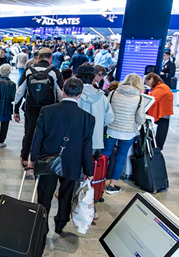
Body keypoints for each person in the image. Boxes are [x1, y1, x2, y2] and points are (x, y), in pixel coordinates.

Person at [29, 78, 95, 235]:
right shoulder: (88, 118)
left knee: (44, 194)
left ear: (63, 91)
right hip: (73, 162)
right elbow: (87, 147)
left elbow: (37, 137)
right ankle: (60, 223)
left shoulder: (47, 110)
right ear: (80, 95)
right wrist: (89, 170)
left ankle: (42, 225)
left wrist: (32, 160)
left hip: (48, 160)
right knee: (66, 194)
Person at [14, 47, 64, 168]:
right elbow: (60, 93)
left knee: (29, 132)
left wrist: (16, 110)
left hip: (31, 107)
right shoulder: (55, 72)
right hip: (49, 109)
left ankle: (24, 157)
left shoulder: (29, 70)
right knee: (46, 133)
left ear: (38, 57)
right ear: (50, 59)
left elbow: (19, 91)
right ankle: (41, 159)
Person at [101, 74, 147, 194]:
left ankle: (97, 179)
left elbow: (106, 111)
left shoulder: (113, 93)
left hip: (110, 129)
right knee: (121, 157)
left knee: (105, 154)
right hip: (127, 133)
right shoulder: (140, 98)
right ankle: (112, 185)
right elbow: (140, 119)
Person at [75, 64, 114, 152]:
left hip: (76, 139)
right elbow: (110, 118)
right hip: (96, 140)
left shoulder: (74, 95)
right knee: (92, 164)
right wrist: (98, 124)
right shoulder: (103, 97)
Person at [145, 73, 174, 150]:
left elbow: (152, 100)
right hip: (162, 114)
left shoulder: (161, 88)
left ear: (151, 79)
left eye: (147, 82)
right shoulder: (160, 87)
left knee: (160, 137)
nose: (147, 84)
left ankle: (157, 150)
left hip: (162, 115)